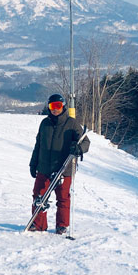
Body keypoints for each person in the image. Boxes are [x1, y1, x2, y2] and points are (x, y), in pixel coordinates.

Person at [28, 93, 90, 234]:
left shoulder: (71, 124)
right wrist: (33, 164)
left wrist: (78, 149)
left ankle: (62, 225)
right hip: (44, 167)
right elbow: (38, 145)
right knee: (38, 196)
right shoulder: (44, 124)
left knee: (62, 198)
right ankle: (38, 224)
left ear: (63, 106)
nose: (55, 109)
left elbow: (85, 142)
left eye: (58, 106)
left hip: (64, 168)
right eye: (52, 106)